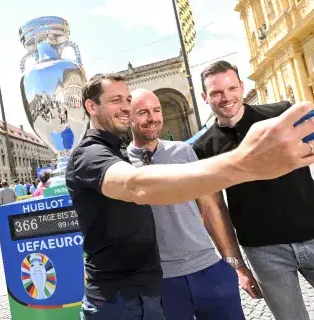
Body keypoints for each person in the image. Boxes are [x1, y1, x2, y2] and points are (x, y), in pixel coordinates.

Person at [65, 73, 314, 320]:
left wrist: (232, 263)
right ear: (91, 106)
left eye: (128, 100)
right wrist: (244, 163)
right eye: (116, 100)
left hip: (167, 284)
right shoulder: (94, 154)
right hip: (131, 293)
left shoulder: (138, 151)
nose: (127, 107)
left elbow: (211, 207)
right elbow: (135, 185)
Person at [193, 60, 314, 320]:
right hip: (264, 253)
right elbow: (214, 210)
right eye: (216, 92)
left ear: (241, 87)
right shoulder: (203, 147)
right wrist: (237, 266)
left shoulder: (280, 115)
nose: (226, 98)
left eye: (231, 88)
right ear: (205, 97)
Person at [127, 88, 253, 319]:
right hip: (162, 282)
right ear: (129, 117)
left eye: (156, 110)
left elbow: (211, 208)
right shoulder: (120, 164)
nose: (152, 118)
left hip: (210, 271)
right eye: (143, 112)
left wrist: (234, 265)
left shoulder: (183, 152)